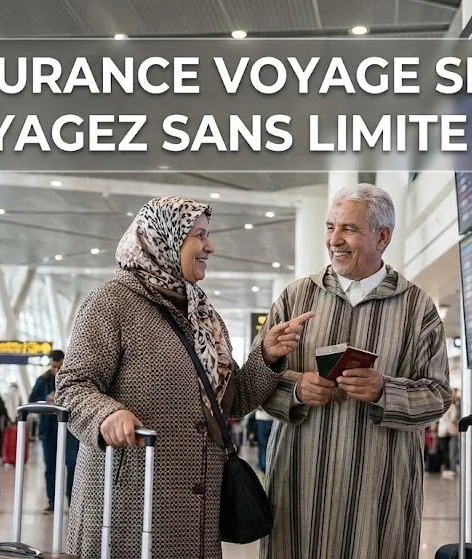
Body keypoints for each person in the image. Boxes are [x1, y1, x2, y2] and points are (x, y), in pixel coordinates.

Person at [56, 196, 313, 558]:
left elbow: (232, 403)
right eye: (199, 236)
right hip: (128, 503)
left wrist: (267, 356)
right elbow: (72, 386)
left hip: (197, 511)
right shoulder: (111, 302)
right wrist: (106, 415)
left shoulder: (204, 315)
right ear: (166, 238)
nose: (210, 246)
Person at [255, 184, 452, 559]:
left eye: (349, 228)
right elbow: (255, 382)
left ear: (382, 236)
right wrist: (296, 389)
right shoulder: (296, 297)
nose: (334, 239)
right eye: (330, 227)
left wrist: (384, 391)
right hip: (300, 485)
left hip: (378, 492)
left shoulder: (417, 308)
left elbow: (438, 396)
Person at [29, 349, 64, 513]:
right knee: (51, 465)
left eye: (59, 367)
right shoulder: (43, 380)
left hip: (69, 431)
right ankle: (53, 501)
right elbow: (32, 400)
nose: (56, 370)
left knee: (72, 464)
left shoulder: (72, 379)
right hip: (49, 429)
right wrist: (46, 401)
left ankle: (72, 500)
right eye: (54, 367)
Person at [253, 407, 273, 473]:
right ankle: (263, 467)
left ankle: (264, 467)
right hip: (264, 419)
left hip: (269, 420)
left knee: (265, 445)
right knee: (263, 445)